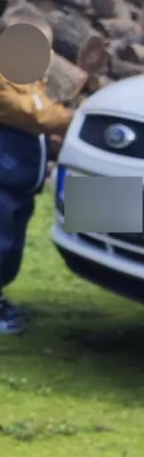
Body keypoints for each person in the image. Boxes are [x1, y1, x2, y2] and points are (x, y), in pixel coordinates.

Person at [0, 18, 73, 335]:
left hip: (20, 185)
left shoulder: (31, 85)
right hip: (3, 182)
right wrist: (74, 117)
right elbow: (35, 114)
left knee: (11, 247)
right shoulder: (5, 86)